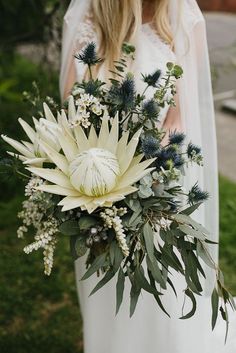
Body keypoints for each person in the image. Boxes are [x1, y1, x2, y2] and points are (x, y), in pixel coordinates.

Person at [60, 1, 222, 352]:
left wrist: (142, 177)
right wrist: (105, 177)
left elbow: (178, 120)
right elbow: (71, 111)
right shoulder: (85, 23)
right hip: (96, 192)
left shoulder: (183, 21)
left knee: (162, 295)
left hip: (158, 189)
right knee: (105, 291)